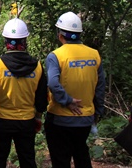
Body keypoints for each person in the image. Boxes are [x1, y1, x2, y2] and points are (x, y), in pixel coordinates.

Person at [45, 11, 105, 168]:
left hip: (59, 118)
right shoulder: (94, 55)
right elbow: (100, 88)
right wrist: (96, 112)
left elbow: (52, 83)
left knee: (60, 159)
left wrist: (68, 101)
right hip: (85, 118)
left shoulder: (55, 56)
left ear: (60, 35)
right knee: (81, 155)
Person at [0, 18, 48, 168]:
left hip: (0, 121)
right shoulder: (37, 66)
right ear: (24, 41)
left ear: (6, 41)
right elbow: (41, 99)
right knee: (27, 160)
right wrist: (38, 118)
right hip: (26, 121)